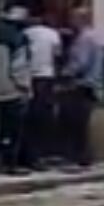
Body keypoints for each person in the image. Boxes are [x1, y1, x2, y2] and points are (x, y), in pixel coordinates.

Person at [0, 8, 33, 171]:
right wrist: (25, 87)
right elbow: (19, 68)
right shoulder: (18, 40)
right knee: (14, 130)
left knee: (4, 129)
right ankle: (10, 164)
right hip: (14, 91)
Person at [59, 8, 102, 168]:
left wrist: (64, 73)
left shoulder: (84, 39)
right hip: (91, 85)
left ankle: (79, 157)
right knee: (81, 123)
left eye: (73, 18)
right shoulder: (94, 37)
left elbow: (79, 63)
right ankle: (83, 156)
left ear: (81, 20)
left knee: (76, 123)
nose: (70, 22)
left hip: (81, 85)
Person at [22, 12, 64, 162]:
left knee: (28, 117)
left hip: (27, 76)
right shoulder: (53, 34)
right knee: (43, 116)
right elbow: (58, 55)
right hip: (47, 76)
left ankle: (26, 153)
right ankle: (40, 153)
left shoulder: (25, 33)